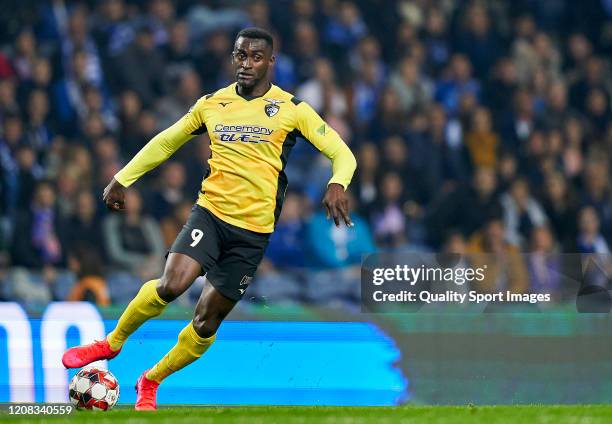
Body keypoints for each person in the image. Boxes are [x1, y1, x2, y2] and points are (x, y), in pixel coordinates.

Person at [61, 27, 356, 410]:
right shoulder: (212, 104)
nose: (246, 63)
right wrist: (122, 178)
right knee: (172, 284)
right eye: (240, 55)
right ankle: (111, 343)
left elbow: (342, 152)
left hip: (252, 234)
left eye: (254, 57)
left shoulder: (291, 109)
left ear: (270, 61)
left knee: (205, 323)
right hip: (211, 215)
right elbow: (167, 140)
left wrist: (337, 184)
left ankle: (150, 380)